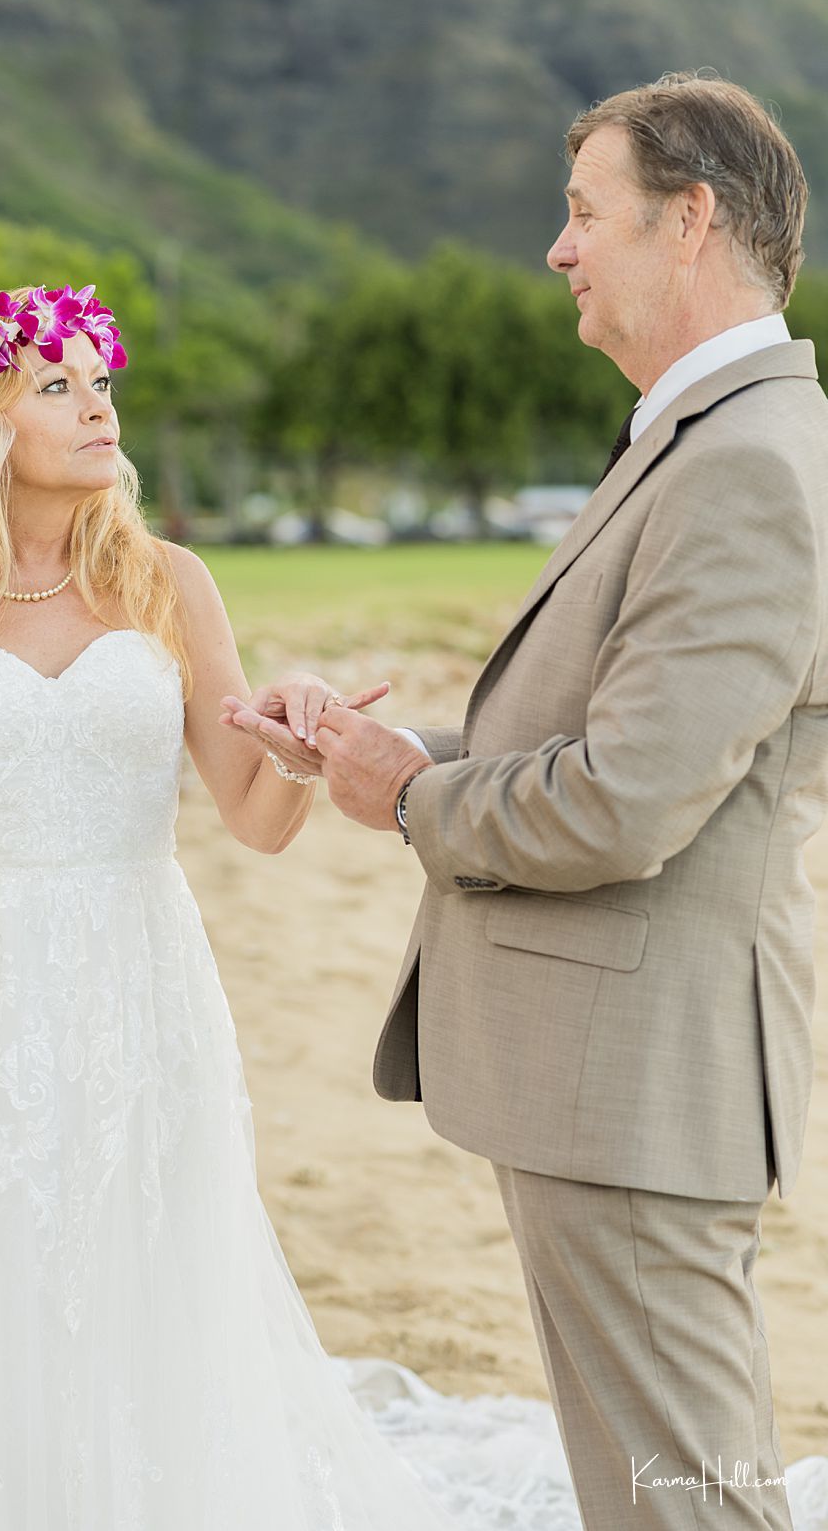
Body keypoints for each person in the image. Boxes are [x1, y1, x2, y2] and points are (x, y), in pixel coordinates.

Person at [0, 284, 525, 1531]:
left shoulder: (170, 580)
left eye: (100, 380)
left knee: (142, 1257)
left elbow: (251, 807)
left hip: (139, 971)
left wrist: (305, 740)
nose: (97, 402)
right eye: (56, 385)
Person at [225, 73, 828, 1530]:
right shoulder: (697, 436)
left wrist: (412, 795)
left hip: (643, 1084)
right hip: (608, 1083)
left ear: (689, 220)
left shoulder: (747, 461)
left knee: (688, 1496)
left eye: (582, 212)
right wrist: (388, 749)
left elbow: (624, 802)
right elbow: (609, 733)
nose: (558, 249)